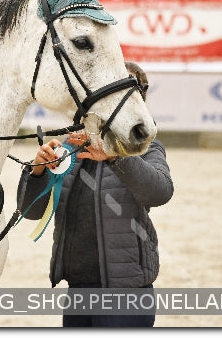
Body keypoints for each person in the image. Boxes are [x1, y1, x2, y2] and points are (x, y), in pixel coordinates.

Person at [16, 61, 173, 327]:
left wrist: (115, 157)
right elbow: (30, 211)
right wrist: (37, 171)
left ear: (139, 98)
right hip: (78, 288)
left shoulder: (146, 148)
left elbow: (160, 192)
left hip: (126, 291)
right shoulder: (69, 148)